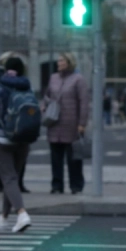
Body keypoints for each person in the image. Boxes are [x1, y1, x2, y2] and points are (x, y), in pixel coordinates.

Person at [0, 56, 33, 233]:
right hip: (23, 139)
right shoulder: (27, 86)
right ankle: (3, 218)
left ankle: (22, 214)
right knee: (12, 179)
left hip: (1, 139)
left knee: (8, 179)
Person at [43, 52, 88, 195]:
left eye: (62, 61)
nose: (59, 63)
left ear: (69, 62)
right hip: (54, 124)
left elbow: (84, 103)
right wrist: (45, 105)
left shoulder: (78, 79)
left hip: (71, 124)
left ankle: (76, 185)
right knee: (56, 158)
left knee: (74, 158)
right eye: (58, 61)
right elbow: (47, 95)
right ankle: (57, 186)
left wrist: (82, 123)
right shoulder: (53, 78)